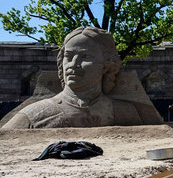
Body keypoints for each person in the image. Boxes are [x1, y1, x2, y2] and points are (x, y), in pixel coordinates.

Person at [2, 26, 158, 129]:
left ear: (107, 63)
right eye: (68, 57)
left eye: (85, 57)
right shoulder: (33, 115)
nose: (73, 64)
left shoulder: (127, 112)